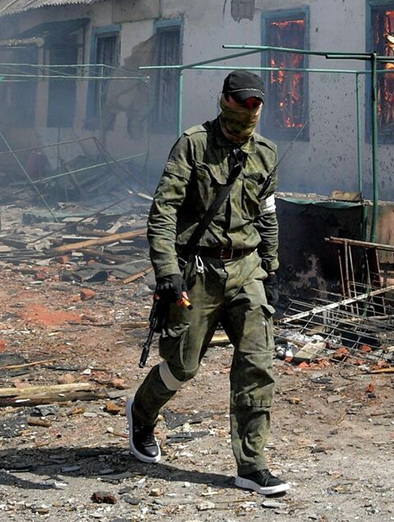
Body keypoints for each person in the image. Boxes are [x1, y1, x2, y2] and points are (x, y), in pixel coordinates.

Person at [126, 70, 288, 496]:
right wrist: (167, 272)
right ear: (225, 101)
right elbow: (163, 212)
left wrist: (271, 269)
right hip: (196, 271)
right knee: (182, 365)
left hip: (246, 269)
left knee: (257, 365)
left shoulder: (266, 154)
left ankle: (252, 466)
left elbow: (267, 216)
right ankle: (142, 414)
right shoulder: (193, 145)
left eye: (257, 104)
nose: (249, 111)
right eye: (242, 103)